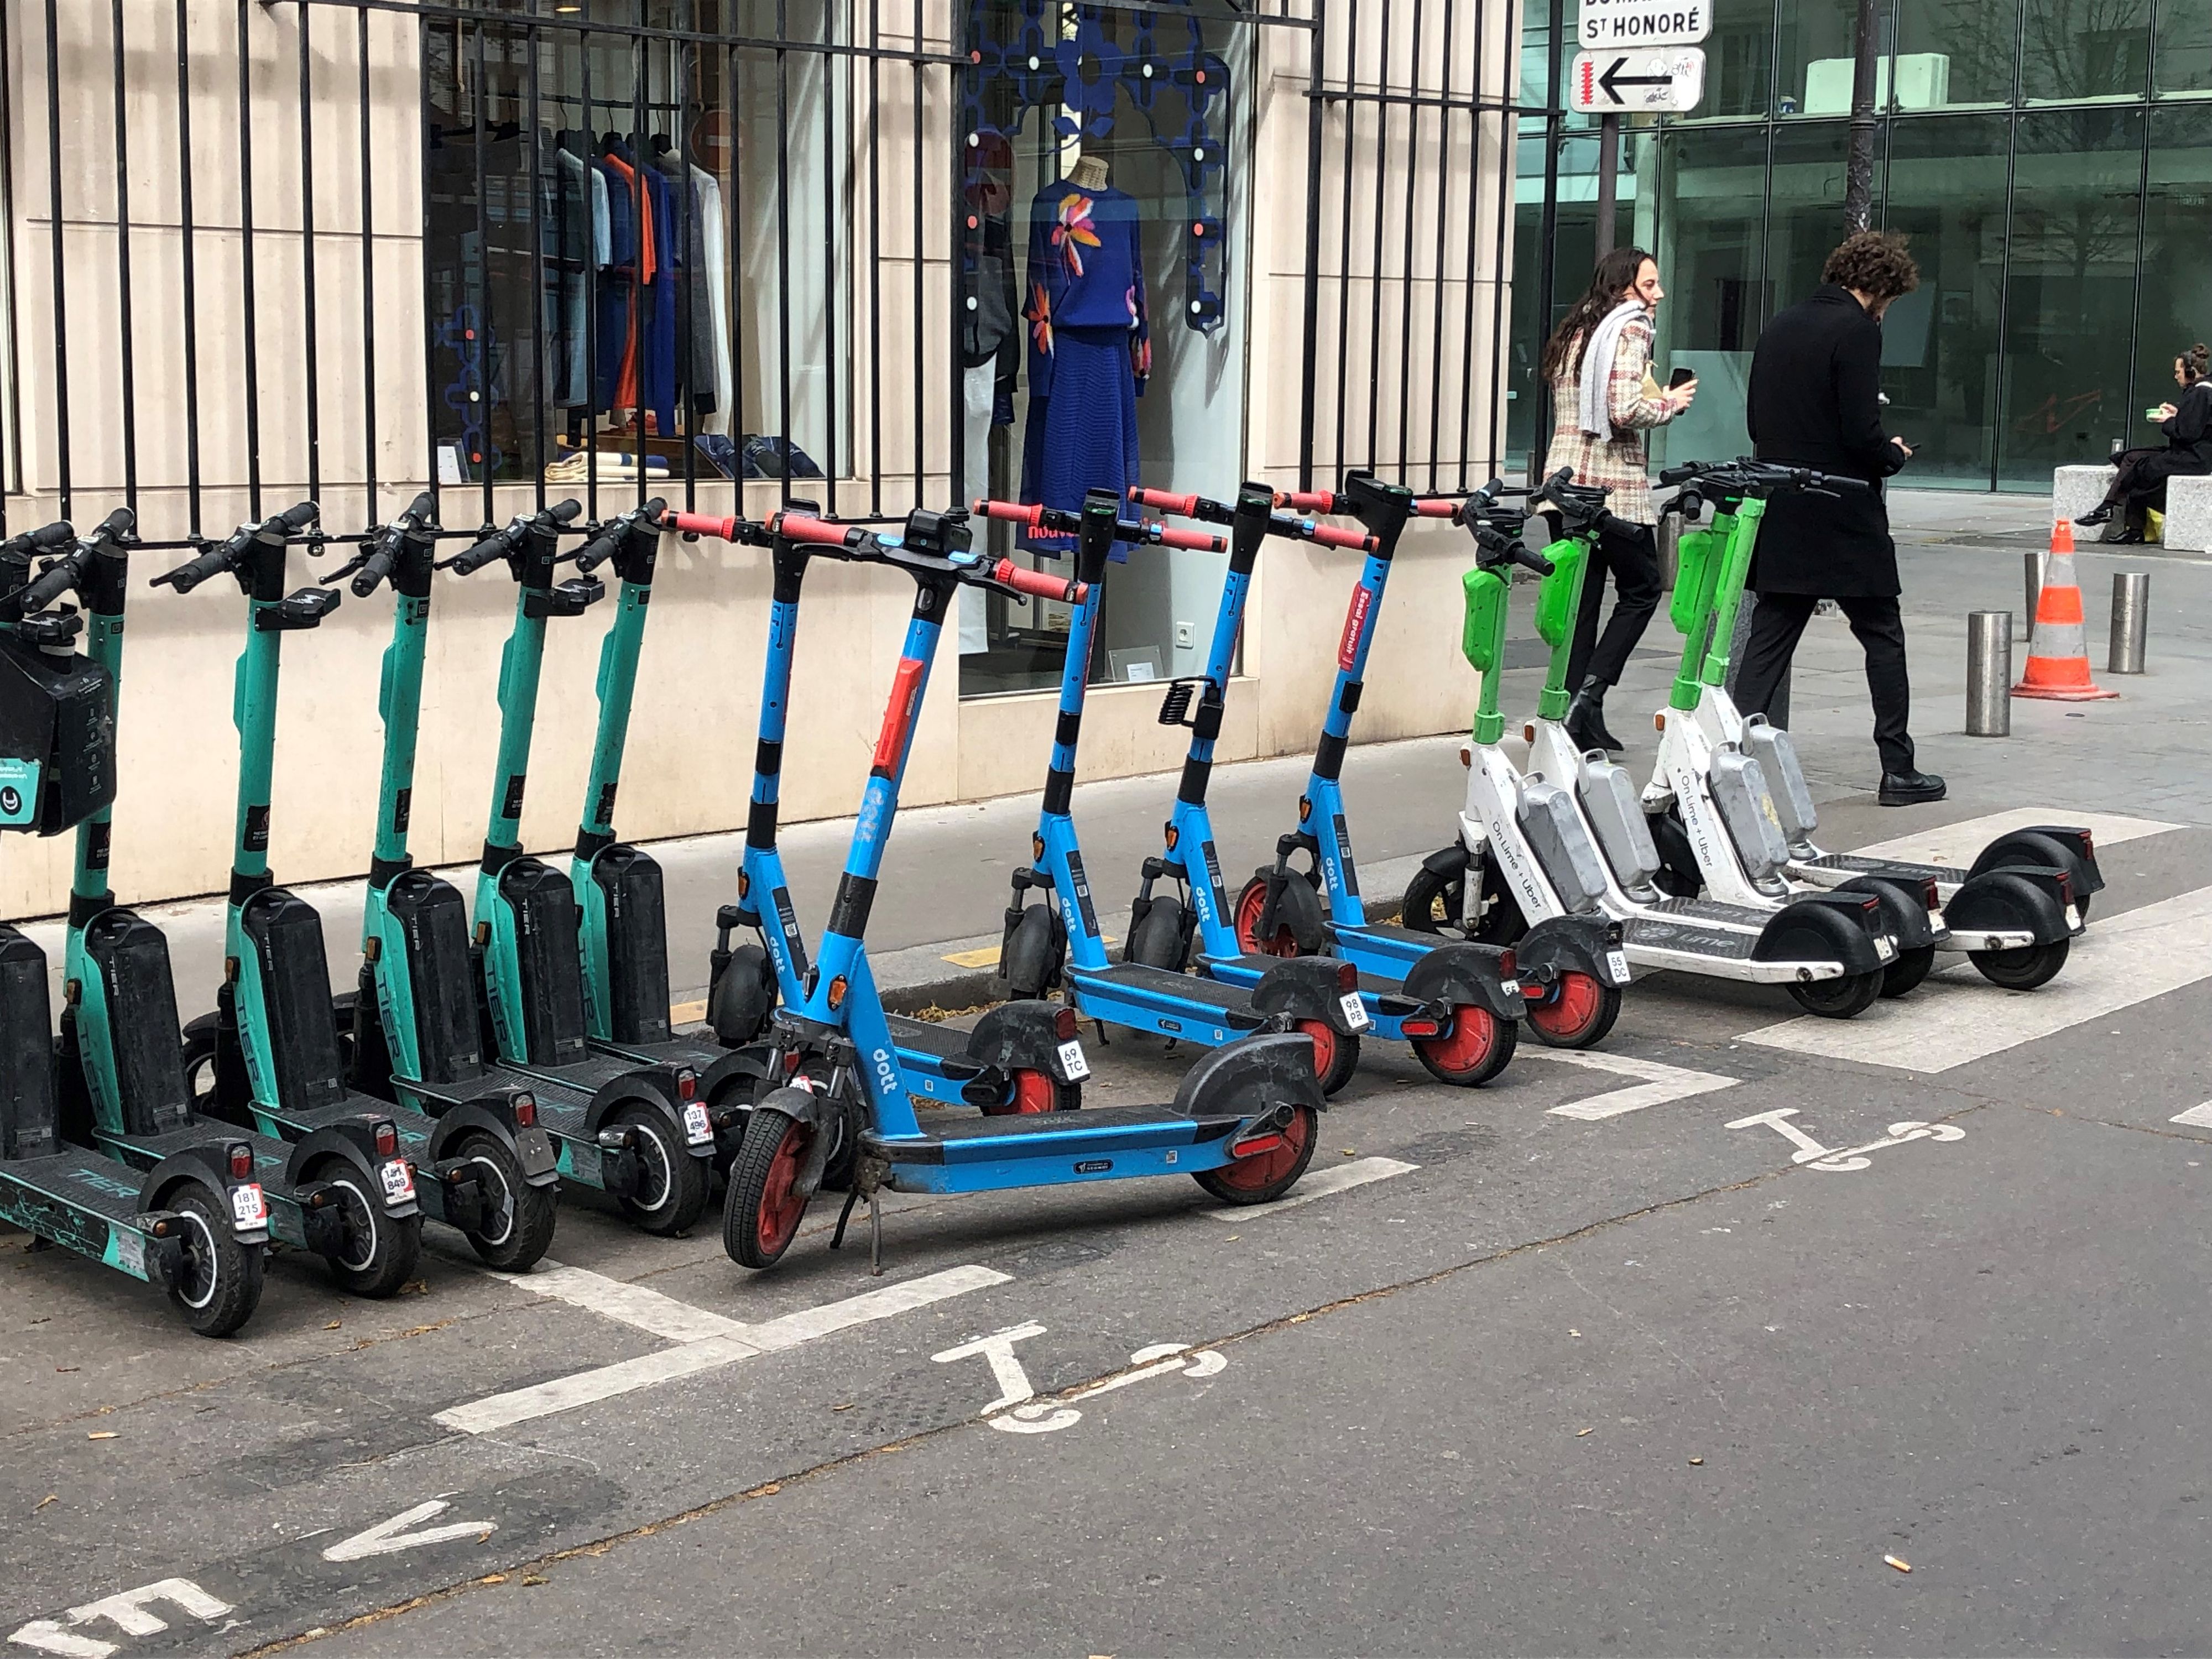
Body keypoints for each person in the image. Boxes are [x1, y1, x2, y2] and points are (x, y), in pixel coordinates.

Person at [1733, 230, 1944, 808]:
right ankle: (1898, 768)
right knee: (1882, 634)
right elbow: (1859, 431)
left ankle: (1725, 757)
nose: (1887, 310)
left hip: (1783, 499)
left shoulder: (1780, 324)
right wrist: (1892, 455)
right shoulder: (1857, 331)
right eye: (1891, 300)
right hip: (1842, 504)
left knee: (1770, 636)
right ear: (1880, 287)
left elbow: (1756, 422)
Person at [1539, 248, 1696, 752]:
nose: (1658, 295)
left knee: (1582, 603)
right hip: (1611, 487)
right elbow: (1624, 411)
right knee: (1643, 589)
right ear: (1620, 288)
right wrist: (1670, 404)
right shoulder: (1629, 328)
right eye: (1649, 285)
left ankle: (1574, 716)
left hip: (1564, 482)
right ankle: (1590, 697)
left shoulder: (1577, 332)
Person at [2076, 345, 2212, 542]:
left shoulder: (2200, 393)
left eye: (2178, 372)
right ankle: (2114, 514)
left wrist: (2167, 420)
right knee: (2131, 457)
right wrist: (2177, 414)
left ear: (2190, 372)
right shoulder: (2201, 391)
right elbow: (2197, 423)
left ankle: (2116, 515)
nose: (2176, 377)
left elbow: (2187, 433)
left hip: (2194, 457)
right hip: (2190, 452)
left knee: (2139, 469)